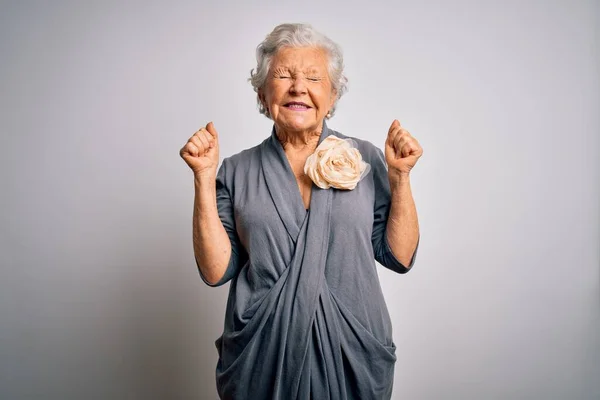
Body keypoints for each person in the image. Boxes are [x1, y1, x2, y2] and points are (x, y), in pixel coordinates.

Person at [180, 23, 422, 400]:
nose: (298, 87)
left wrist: (401, 177)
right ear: (262, 93)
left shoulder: (367, 159)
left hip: (351, 351)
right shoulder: (235, 170)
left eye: (313, 77)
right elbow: (215, 271)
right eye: (283, 75)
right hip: (262, 354)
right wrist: (203, 177)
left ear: (333, 94)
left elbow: (400, 256)